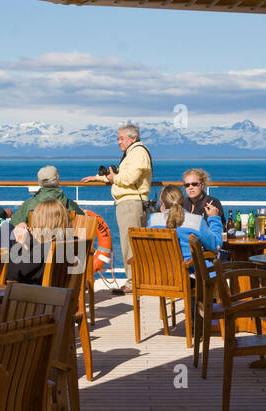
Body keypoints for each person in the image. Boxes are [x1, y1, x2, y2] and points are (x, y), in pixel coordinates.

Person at [82, 123, 152, 294]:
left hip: (131, 203)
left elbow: (130, 177)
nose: (119, 142)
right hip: (128, 202)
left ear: (133, 138)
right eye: (118, 139)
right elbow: (121, 176)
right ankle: (136, 280)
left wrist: (114, 177)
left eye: (122, 138)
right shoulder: (131, 153)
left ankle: (132, 282)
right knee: (130, 242)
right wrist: (99, 178)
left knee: (130, 244)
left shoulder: (138, 152)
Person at [7, 199, 76, 284]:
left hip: (39, 295)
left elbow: (11, 273)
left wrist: (19, 243)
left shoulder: (43, 250)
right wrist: (31, 241)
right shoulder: (74, 242)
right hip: (64, 294)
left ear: (42, 223)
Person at [153, 183, 222, 261]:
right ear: (182, 201)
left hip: (161, 271)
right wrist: (214, 219)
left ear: (163, 205)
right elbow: (216, 246)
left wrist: (162, 213)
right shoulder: (196, 220)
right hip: (191, 271)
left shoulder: (153, 220)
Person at [12, 165, 85, 225]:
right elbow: (83, 222)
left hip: (36, 242)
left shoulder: (29, 205)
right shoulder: (70, 205)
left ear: (40, 183)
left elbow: (14, 223)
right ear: (58, 179)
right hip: (63, 242)